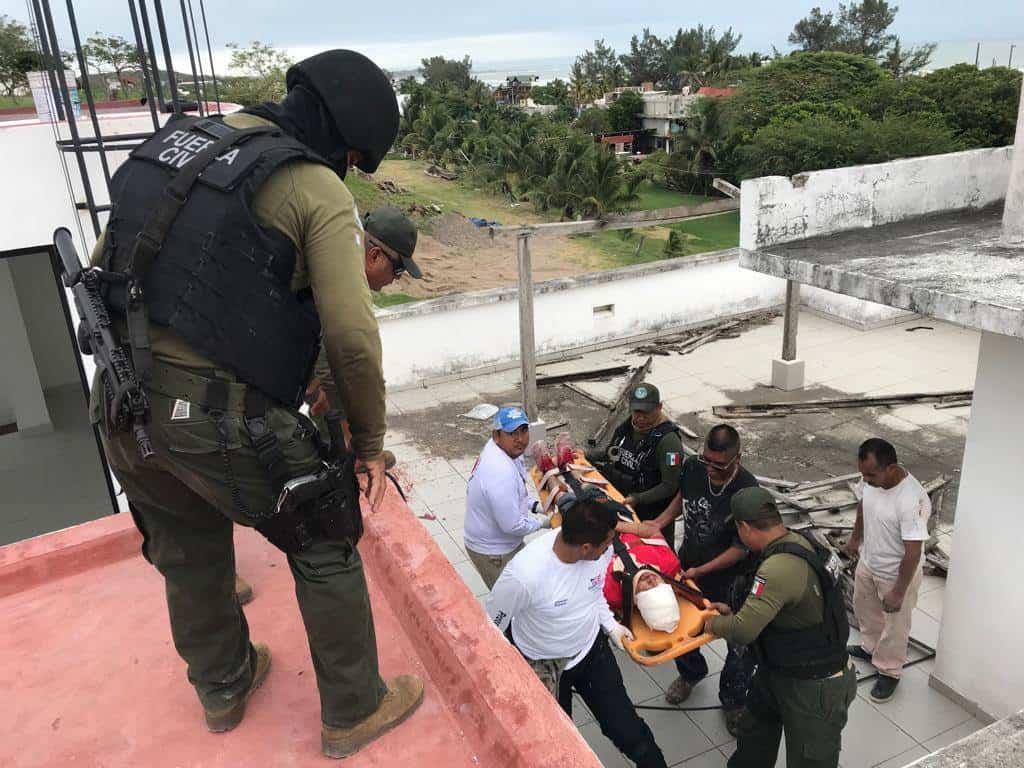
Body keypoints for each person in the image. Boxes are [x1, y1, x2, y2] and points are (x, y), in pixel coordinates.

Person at [87, 50, 422, 758]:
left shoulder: (178, 144)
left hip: (119, 403)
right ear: (347, 140)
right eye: (355, 158)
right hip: (212, 414)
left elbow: (113, 265)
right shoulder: (311, 185)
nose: (347, 170)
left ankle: (224, 686)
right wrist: (367, 446)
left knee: (189, 546)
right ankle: (355, 708)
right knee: (326, 536)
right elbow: (353, 339)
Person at [487, 488, 668, 768]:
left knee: (629, 732)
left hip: (589, 651)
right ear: (586, 547)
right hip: (542, 663)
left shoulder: (598, 553)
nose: (611, 549)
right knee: (556, 745)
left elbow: (593, 594)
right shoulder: (523, 576)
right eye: (606, 544)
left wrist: (611, 626)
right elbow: (489, 630)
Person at [705, 487, 856, 768]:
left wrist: (709, 623)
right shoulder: (795, 540)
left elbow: (743, 631)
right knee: (754, 737)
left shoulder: (778, 567)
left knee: (811, 760)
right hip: (778, 669)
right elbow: (777, 605)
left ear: (744, 527)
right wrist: (735, 611)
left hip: (815, 685)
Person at [639, 424, 758, 733]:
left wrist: (702, 571)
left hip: (732, 580)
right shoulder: (694, 468)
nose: (712, 469)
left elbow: (740, 548)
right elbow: (683, 496)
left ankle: (733, 700)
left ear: (737, 459)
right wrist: (662, 521)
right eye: (708, 460)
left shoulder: (748, 491)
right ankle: (691, 672)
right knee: (683, 625)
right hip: (689, 563)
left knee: (739, 643)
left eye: (720, 465)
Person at [305, 205, 423, 458]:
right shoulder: (343, 284)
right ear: (375, 255)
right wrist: (358, 443)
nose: (396, 279)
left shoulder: (333, 256)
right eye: (398, 269)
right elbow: (337, 357)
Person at [845, 438, 931, 703]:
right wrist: (855, 538)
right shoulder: (871, 481)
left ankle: (889, 670)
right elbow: (863, 505)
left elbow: (913, 552)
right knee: (865, 609)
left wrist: (898, 592)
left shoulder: (911, 499)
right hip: (869, 561)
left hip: (897, 573)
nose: (866, 480)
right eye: (863, 474)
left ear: (891, 468)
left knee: (895, 625)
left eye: (871, 474)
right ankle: (870, 647)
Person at [464, 406, 552, 588]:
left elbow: (516, 494)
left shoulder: (506, 451)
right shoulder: (499, 472)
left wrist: (536, 506)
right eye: (512, 433)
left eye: (524, 430)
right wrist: (543, 523)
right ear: (497, 435)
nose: (520, 439)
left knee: (528, 589)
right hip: (493, 553)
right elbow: (512, 525)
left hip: (501, 542)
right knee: (510, 606)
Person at [586, 384, 684, 543]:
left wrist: (637, 499)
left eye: (646, 412)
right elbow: (612, 452)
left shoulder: (669, 443)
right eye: (636, 411)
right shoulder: (627, 427)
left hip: (651, 515)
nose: (640, 417)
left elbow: (670, 485)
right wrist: (586, 455)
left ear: (659, 407)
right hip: (623, 503)